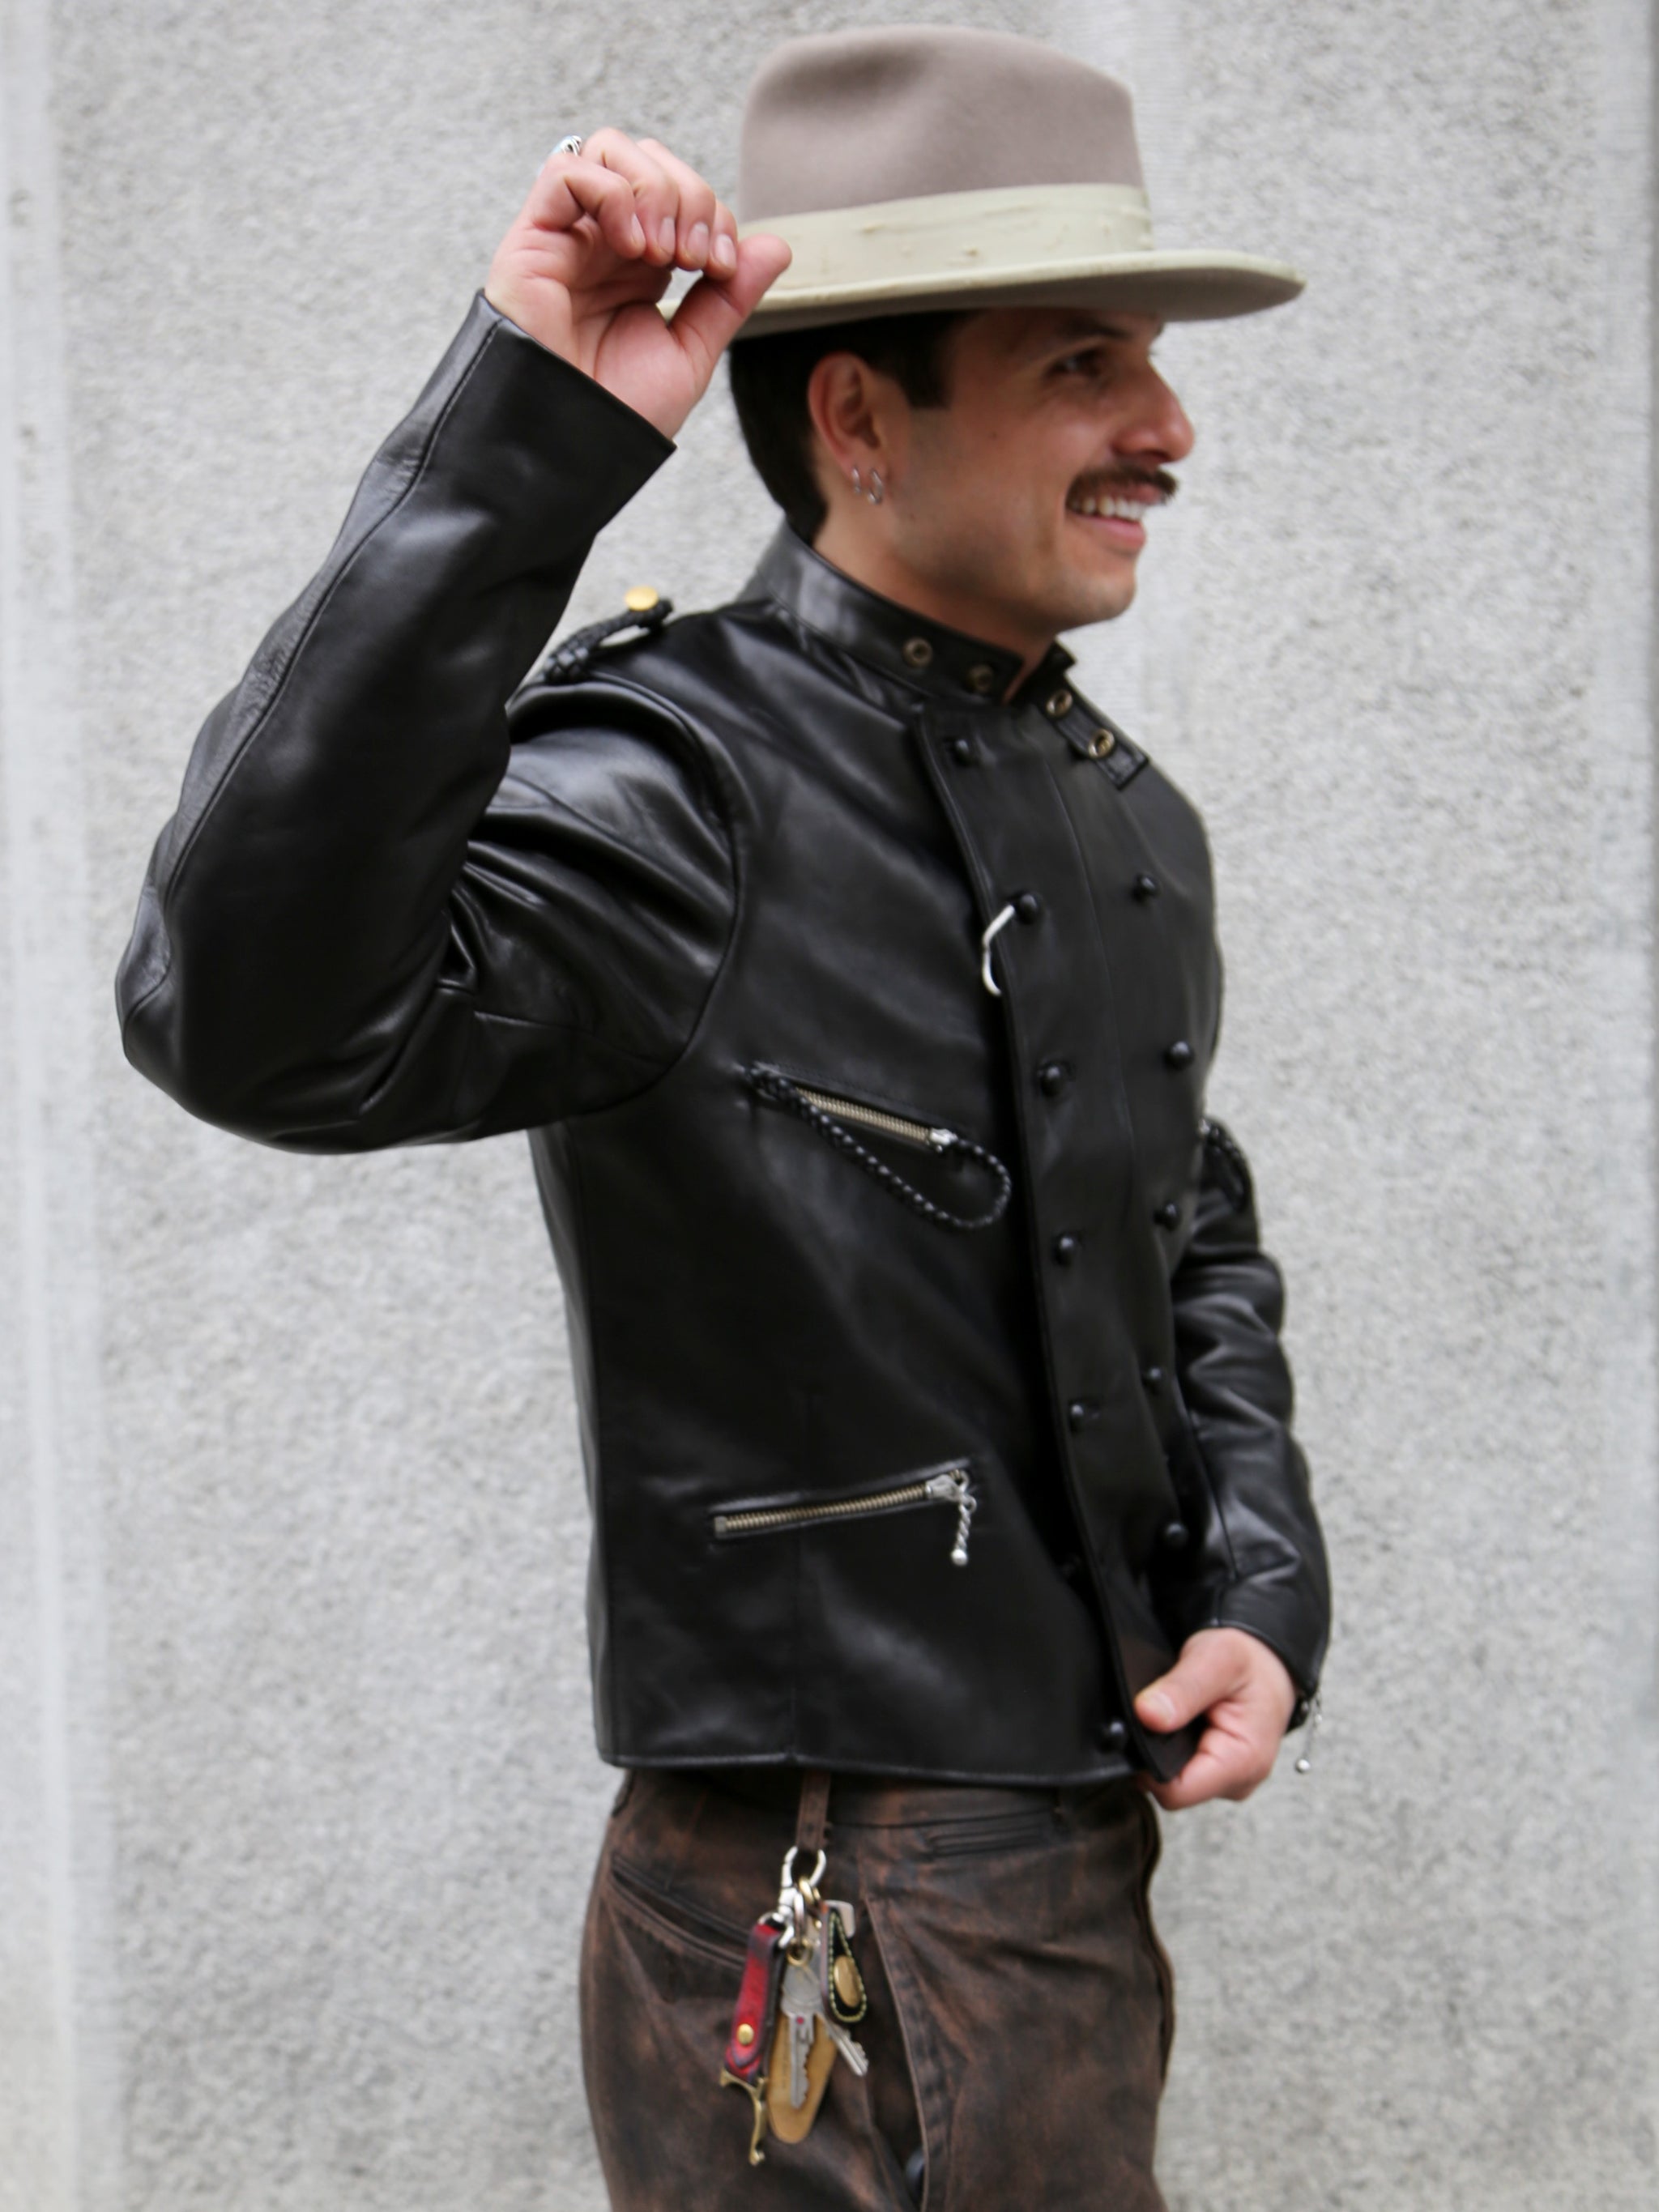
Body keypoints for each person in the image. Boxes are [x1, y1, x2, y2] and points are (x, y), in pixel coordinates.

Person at [116, 23, 1330, 2211]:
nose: (1166, 427)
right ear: (856, 416)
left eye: (1150, 362)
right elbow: (241, 1013)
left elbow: (1186, 1217)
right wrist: (528, 433)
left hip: (1070, 1875)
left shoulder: (1131, 815)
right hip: (816, 1887)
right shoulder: (675, 783)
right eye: (1084, 366)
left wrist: (1251, 1581)